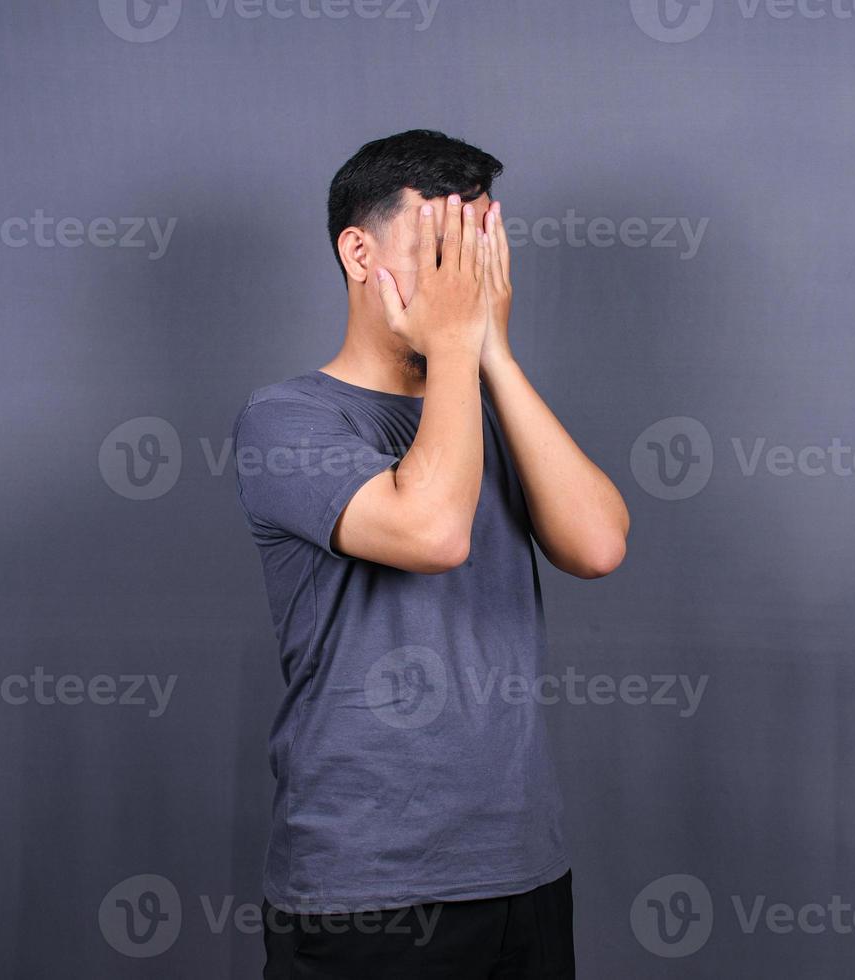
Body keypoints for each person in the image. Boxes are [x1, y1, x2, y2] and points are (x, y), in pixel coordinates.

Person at [233, 129, 630, 979]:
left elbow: (597, 546)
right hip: (368, 883)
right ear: (358, 250)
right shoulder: (287, 420)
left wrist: (495, 355)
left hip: (522, 865)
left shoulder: (482, 411)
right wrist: (456, 349)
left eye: (478, 249)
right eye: (439, 251)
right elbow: (433, 532)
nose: (465, 280)